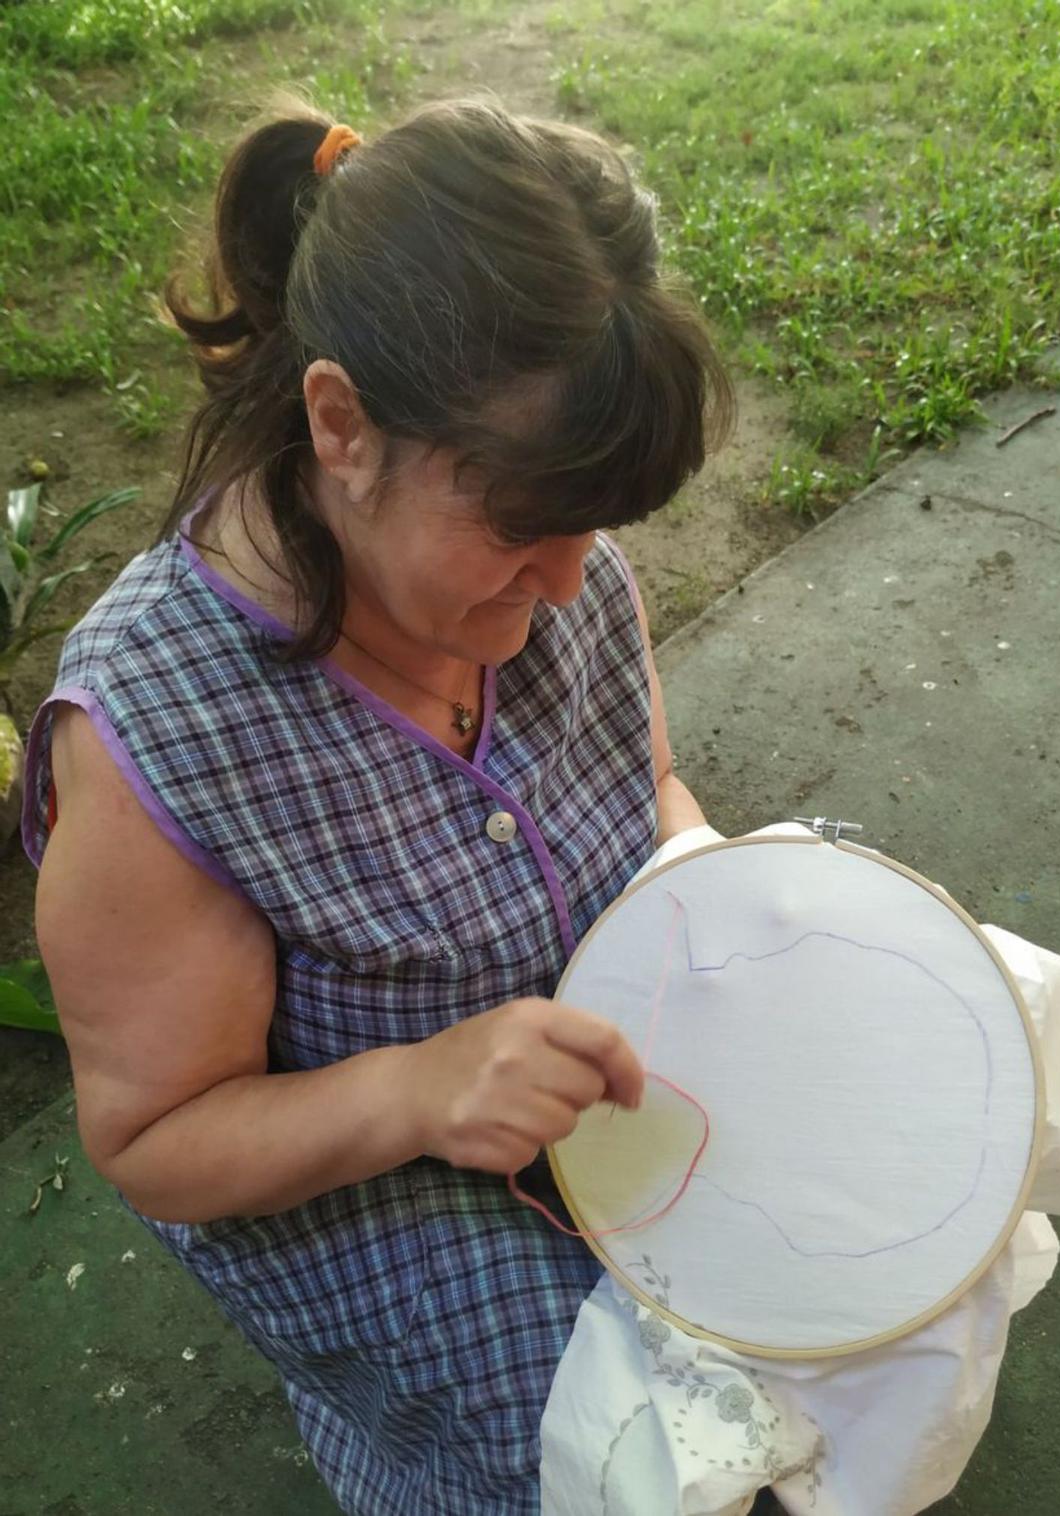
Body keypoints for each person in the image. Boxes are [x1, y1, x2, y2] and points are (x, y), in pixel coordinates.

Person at [23, 96, 734, 1515]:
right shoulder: (161, 733)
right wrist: (421, 1088)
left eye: (593, 527)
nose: (563, 592)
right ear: (342, 425)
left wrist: (716, 879)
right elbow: (156, 1140)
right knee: (608, 1446)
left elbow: (643, 787)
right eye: (522, 525)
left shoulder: (556, 562)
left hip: (580, 1081)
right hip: (351, 1167)